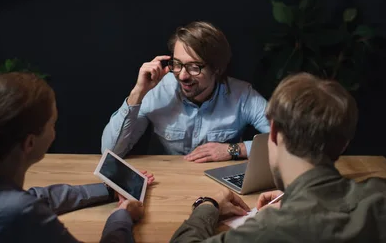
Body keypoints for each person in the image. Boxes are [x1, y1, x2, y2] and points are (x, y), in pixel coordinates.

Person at [169, 73, 386, 243]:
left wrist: (207, 206)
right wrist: (293, 201)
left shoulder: (267, 231)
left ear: (274, 133)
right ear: (344, 144)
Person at [0, 72, 154, 243]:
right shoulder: (21, 213)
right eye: (52, 124)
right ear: (30, 143)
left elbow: (37, 197)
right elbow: (25, 207)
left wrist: (107, 189)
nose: (55, 131)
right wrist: (122, 216)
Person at [101, 21, 270, 163]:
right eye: (177, 64)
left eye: (194, 67)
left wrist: (234, 149)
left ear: (217, 69)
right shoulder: (157, 90)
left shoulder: (242, 95)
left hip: (219, 186)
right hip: (166, 185)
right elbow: (110, 153)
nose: (182, 76)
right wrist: (138, 92)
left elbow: (287, 141)